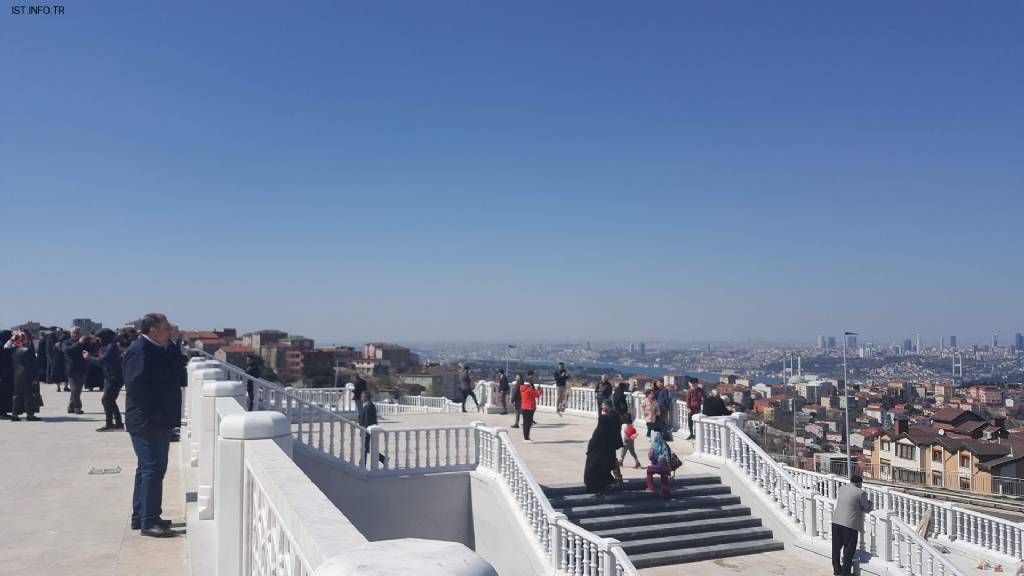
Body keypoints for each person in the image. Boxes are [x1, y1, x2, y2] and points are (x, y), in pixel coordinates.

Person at [123, 313, 179, 538]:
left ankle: (142, 516)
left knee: (145, 469)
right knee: (153, 470)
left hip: (155, 420)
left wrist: (173, 342)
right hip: (148, 421)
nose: (170, 329)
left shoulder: (157, 348)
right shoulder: (140, 350)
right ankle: (149, 521)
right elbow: (136, 387)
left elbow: (175, 369)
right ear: (153, 329)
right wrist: (157, 415)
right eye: (166, 327)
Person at [832, 474, 873, 576]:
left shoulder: (842, 488)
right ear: (859, 483)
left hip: (836, 521)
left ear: (851, 481)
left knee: (836, 548)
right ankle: (845, 573)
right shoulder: (861, 493)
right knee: (849, 550)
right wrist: (870, 503)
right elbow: (866, 508)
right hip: (850, 523)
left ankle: (837, 570)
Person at [90, 331, 129, 431]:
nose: (97, 339)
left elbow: (101, 361)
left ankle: (110, 424)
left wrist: (88, 358)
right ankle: (118, 422)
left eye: (98, 338)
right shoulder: (106, 345)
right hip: (109, 376)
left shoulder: (111, 347)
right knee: (110, 400)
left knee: (106, 400)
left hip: (115, 377)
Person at [584, 403, 624, 494]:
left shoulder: (604, 423)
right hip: (607, 451)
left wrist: (590, 448)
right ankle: (613, 481)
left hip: (599, 452)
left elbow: (596, 437)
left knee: (595, 470)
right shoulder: (613, 422)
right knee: (605, 469)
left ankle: (599, 487)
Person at [8, 332, 41, 421]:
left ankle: (14, 414)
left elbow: (6, 347)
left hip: (16, 375)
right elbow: (32, 366)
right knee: (28, 395)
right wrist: (35, 378)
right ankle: (30, 415)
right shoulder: (28, 350)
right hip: (27, 375)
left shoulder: (13, 349)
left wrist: (12, 339)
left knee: (16, 394)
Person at [62, 328, 88, 414]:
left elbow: (90, 350)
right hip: (71, 369)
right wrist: (79, 343)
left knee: (78, 390)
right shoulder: (66, 342)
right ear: (70, 334)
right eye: (73, 333)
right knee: (74, 389)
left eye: (77, 333)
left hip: (82, 368)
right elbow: (68, 351)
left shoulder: (83, 342)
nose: (75, 335)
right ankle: (77, 407)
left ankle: (70, 407)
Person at [357, 391, 386, 465]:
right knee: (367, 448)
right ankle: (383, 459)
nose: (361, 398)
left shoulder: (369, 406)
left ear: (366, 397)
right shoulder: (366, 405)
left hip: (368, 430)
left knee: (365, 448)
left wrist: (365, 431)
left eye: (362, 396)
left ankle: (362, 464)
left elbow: (368, 420)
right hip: (366, 430)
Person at [646, 430, 672, 499]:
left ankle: (651, 487)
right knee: (664, 480)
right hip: (667, 467)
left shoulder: (654, 445)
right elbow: (668, 456)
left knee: (649, 471)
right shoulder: (665, 444)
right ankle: (666, 495)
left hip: (659, 466)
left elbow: (651, 457)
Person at [0, 330, 13, 418]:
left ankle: (3, 412)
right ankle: (2, 413)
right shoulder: (2, 346)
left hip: (6, 375)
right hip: (2, 375)